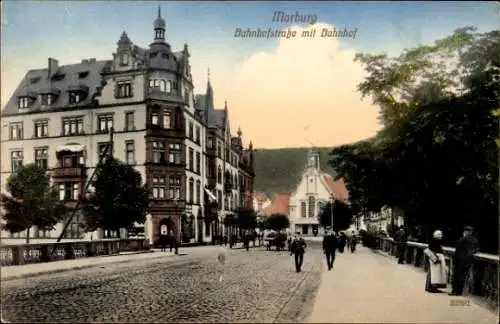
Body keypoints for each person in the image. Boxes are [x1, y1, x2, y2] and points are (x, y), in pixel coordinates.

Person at [450, 226, 479, 296]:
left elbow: (457, 244)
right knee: (461, 276)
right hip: (466, 260)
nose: (465, 232)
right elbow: (476, 249)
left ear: (468, 232)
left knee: (457, 276)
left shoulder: (465, 238)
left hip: (461, 260)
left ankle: (455, 291)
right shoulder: (474, 240)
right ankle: (458, 292)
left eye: (466, 231)